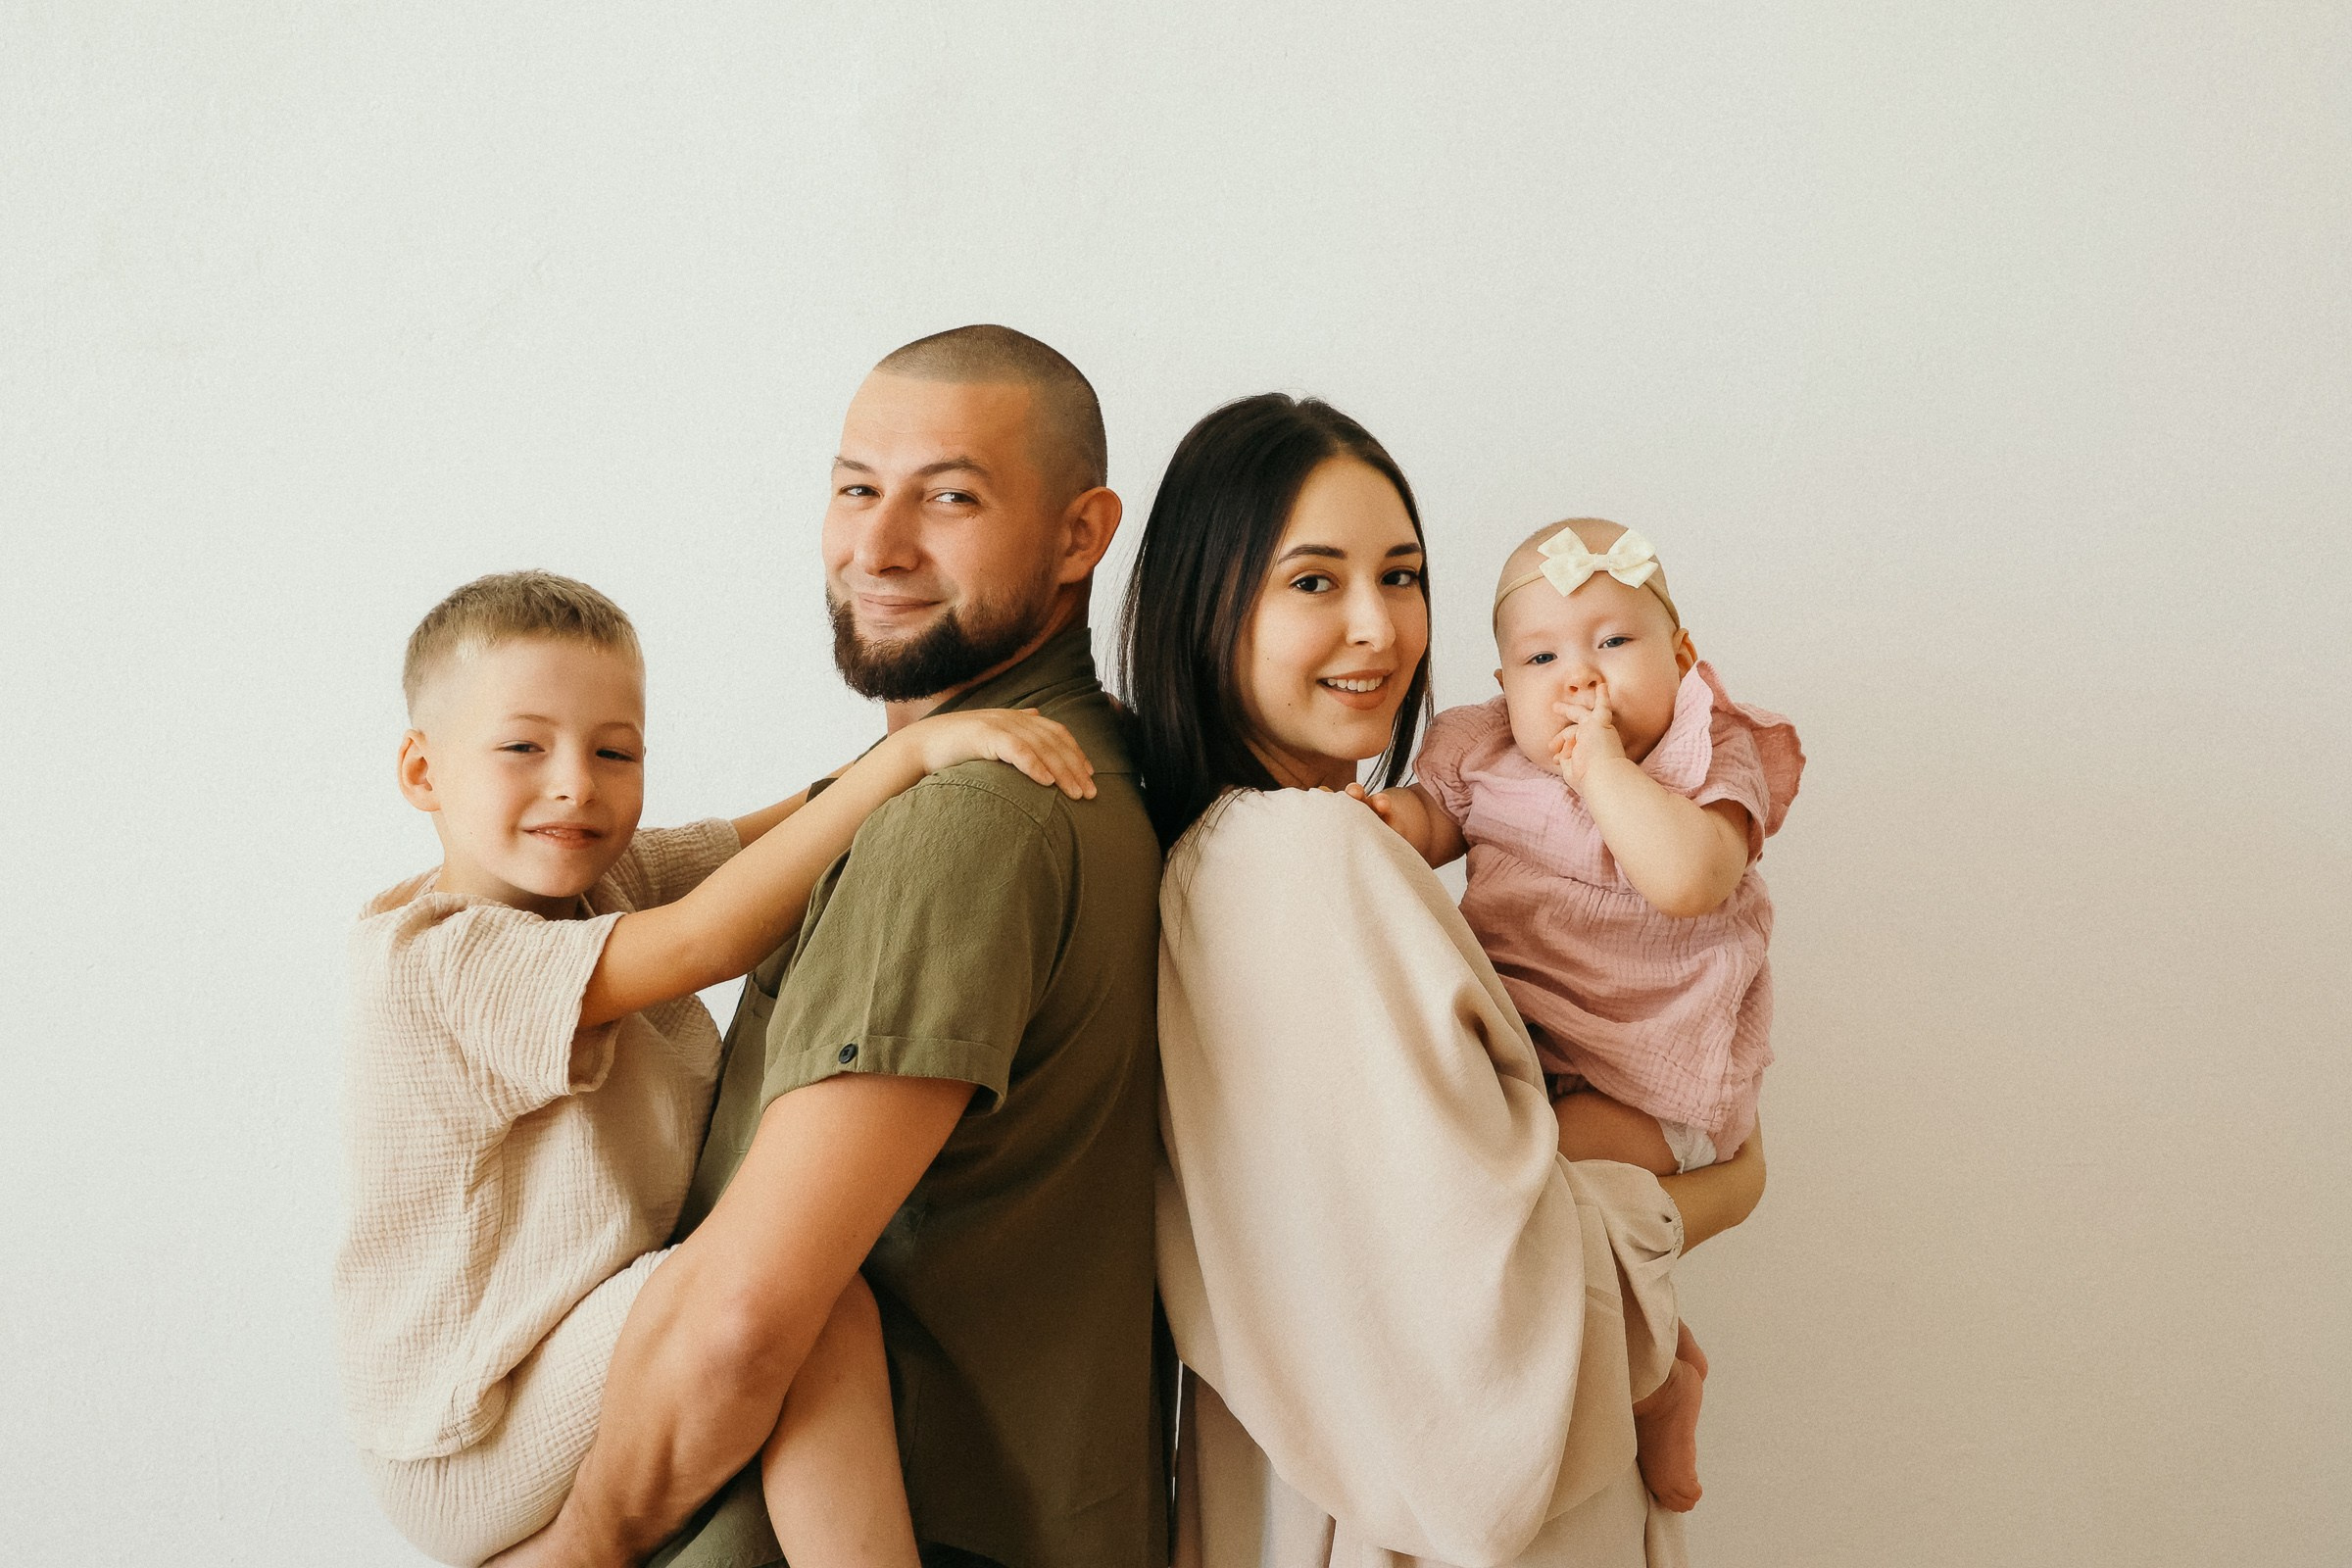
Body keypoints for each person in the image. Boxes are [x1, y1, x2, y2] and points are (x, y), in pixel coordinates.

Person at [497, 326, 1170, 1568]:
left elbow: (749, 1315)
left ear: (1082, 535)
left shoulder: (974, 818)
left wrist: (578, 1544)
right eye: (856, 488)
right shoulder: (1089, 766)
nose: (877, 546)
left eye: (950, 497)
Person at [1122, 393, 1768, 1568]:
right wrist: (1717, 1192)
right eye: (1313, 582)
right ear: (1204, 604)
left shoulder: (1237, 854)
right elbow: (1482, 1313)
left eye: (1403, 575)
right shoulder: (1306, 854)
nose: (1377, 627)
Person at [337, 569, 1096, 1567]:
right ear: (423, 772)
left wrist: (975, 724)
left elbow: (762, 836)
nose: (575, 782)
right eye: (523, 747)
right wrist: (911, 756)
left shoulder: (602, 882)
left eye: (616, 751)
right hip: (469, 1426)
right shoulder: (445, 964)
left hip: (569, 1349)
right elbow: (709, 936)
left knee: (797, 1290)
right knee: (800, 1297)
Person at [1356, 518, 1805, 1511]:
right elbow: (1440, 822)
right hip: (1528, 1048)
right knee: (1520, 1204)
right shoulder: (1480, 752)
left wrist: (1601, 768)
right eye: (1543, 655)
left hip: (1654, 1073)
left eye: (1613, 643)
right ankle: (1654, 1362)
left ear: (1682, 659)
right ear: (1504, 682)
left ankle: (1654, 1385)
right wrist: (1396, 827)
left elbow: (1690, 880)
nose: (1579, 678)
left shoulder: (1706, 756)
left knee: (1542, 1210)